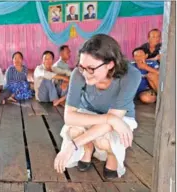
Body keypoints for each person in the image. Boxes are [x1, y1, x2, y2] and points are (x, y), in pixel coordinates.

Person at [53, 34, 141, 179]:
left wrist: (72, 145)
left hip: (121, 117)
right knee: (74, 129)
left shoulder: (131, 75)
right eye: (82, 67)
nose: (85, 74)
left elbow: (114, 121)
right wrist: (110, 119)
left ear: (110, 64)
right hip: (91, 112)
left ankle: (112, 156)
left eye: (91, 68)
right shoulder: (78, 73)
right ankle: (87, 148)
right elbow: (69, 117)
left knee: (104, 140)